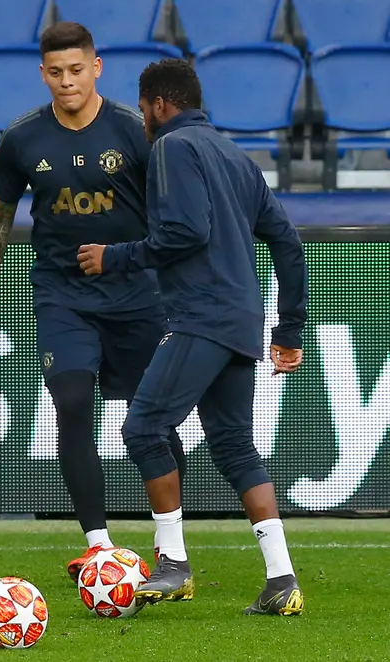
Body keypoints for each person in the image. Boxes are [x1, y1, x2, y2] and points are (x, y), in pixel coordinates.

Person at [0, 22, 188, 582]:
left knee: (154, 421)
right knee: (73, 405)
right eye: (56, 73)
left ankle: (170, 545)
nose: (67, 83)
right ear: (43, 74)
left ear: (97, 67)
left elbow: (170, 217)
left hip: (136, 298)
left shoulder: (136, 134)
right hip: (63, 298)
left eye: (76, 71)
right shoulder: (22, 139)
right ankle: (100, 546)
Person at [77, 59, 307, 616]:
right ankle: (282, 581)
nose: (144, 122)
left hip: (201, 315)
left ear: (158, 105)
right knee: (233, 446)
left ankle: (174, 564)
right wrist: (289, 329)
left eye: (144, 109)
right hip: (240, 321)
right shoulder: (236, 156)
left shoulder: (172, 149)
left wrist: (117, 258)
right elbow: (288, 242)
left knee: (144, 427)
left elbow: (185, 232)